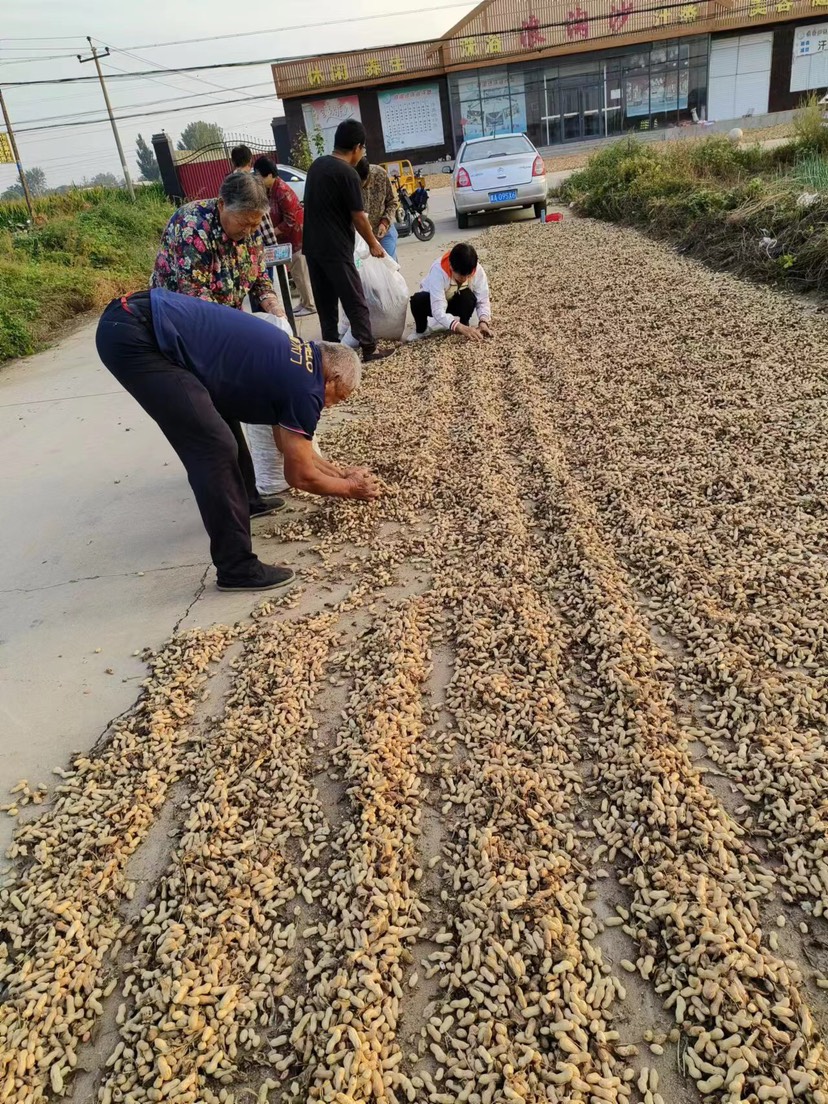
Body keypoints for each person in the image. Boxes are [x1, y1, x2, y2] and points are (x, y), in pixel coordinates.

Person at [96, 289, 380, 592]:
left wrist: (341, 473)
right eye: (339, 397)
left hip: (139, 318)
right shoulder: (307, 388)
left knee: (222, 411)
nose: (331, 406)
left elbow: (291, 447)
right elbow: (299, 475)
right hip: (138, 335)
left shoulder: (300, 364)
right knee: (214, 448)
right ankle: (236, 568)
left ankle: (247, 500)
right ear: (332, 378)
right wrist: (350, 489)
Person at [151, 171, 285, 518]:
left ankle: (248, 496)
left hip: (219, 325)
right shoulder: (191, 226)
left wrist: (271, 302)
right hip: (178, 332)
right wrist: (243, 334)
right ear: (223, 204)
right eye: (243, 223)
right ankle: (234, 502)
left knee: (228, 412)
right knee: (211, 421)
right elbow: (195, 302)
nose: (248, 231)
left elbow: (257, 277)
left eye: (255, 225)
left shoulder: (249, 233)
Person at [302, 119, 392, 363]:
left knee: (326, 303)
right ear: (357, 147)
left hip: (312, 246)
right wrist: (374, 244)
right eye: (362, 149)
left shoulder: (317, 166)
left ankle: (330, 353)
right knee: (354, 299)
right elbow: (359, 217)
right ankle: (369, 348)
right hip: (335, 248)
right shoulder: (348, 174)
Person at [253, 155, 316, 317]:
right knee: (296, 273)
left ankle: (310, 305)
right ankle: (303, 302)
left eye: (259, 175)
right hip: (287, 239)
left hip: (296, 238)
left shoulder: (282, 191)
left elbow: (290, 220)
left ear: (269, 175)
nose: (257, 178)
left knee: (300, 272)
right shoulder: (270, 189)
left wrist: (271, 232)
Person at [407, 242, 493, 343]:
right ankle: (422, 331)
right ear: (451, 267)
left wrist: (483, 321)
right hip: (434, 302)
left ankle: (465, 324)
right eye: (461, 276)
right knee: (417, 300)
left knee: (468, 297)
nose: (464, 279)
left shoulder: (476, 269)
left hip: (457, 301)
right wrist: (457, 326)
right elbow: (437, 309)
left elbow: (482, 298)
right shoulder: (438, 269)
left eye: (468, 275)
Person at [355, 157, 399, 261]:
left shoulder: (380, 174)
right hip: (361, 236)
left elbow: (393, 202)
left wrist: (384, 222)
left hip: (384, 231)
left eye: (363, 183)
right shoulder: (348, 180)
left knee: (390, 266)